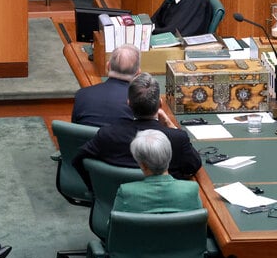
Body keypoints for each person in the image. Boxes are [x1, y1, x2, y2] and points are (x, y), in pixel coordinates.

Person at [106, 130, 203, 258]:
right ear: (169, 157)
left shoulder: (127, 192)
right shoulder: (191, 190)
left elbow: (112, 234)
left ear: (141, 164)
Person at [73, 73, 201, 187]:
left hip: (116, 205)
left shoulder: (107, 135)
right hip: (163, 208)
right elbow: (193, 165)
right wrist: (171, 126)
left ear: (128, 103)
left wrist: (94, 190)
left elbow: (78, 160)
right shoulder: (176, 139)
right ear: (160, 104)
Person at [71, 44, 139, 127]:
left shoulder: (82, 94)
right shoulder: (139, 101)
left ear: (107, 66)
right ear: (138, 73)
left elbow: (74, 129)